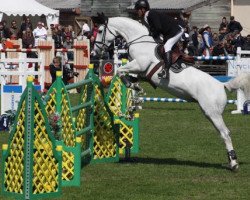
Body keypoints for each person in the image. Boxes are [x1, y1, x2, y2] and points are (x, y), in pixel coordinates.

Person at [134, 0, 184, 79]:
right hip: (169, 32)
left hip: (176, 31)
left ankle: (166, 71)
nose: (137, 12)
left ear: (143, 9)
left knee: (167, 46)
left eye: (138, 10)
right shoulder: (147, 16)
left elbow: (158, 28)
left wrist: (153, 35)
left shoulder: (151, 14)